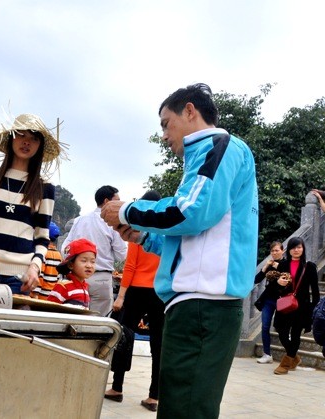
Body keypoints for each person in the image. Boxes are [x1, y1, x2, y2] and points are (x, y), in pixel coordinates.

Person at [100, 83, 258, 419]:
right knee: (180, 405)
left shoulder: (219, 145)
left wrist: (128, 210)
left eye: (165, 123)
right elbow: (191, 235)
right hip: (199, 303)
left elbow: (192, 211)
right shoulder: (207, 156)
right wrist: (141, 237)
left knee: (186, 409)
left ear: (190, 111)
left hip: (204, 303)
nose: (164, 135)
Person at [0, 113, 65, 295]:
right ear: (11, 137)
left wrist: (35, 267)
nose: (26, 142)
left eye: (33, 138)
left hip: (19, 279)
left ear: (39, 145)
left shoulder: (45, 188)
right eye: (21, 134)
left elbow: (42, 237)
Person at [104, 190, 164, 412]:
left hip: (137, 290)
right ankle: (154, 396)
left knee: (125, 338)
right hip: (160, 292)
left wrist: (120, 296)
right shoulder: (165, 230)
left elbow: (130, 265)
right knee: (159, 343)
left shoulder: (138, 228)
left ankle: (117, 388)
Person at [61, 185, 127, 316]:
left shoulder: (80, 220)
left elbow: (65, 249)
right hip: (101, 278)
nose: (120, 203)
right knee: (99, 322)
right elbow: (122, 255)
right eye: (118, 200)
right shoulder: (112, 222)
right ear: (107, 201)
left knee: (76, 318)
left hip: (77, 277)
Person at [272, 237, 320, 375]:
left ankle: (286, 363)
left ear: (303, 249)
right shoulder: (283, 265)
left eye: (299, 247)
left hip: (302, 307)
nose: (296, 250)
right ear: (289, 250)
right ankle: (294, 356)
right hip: (285, 304)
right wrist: (279, 285)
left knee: (295, 334)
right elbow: (276, 288)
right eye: (293, 247)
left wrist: (312, 308)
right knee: (281, 332)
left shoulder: (309, 266)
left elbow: (315, 291)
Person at [253, 241, 284, 364]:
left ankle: (290, 355)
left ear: (282, 250)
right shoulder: (270, 264)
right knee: (265, 326)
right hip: (268, 300)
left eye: (277, 250)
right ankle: (267, 354)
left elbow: (290, 278)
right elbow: (256, 280)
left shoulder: (286, 263)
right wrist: (265, 267)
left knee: (282, 328)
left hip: (283, 300)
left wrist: (279, 267)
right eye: (272, 251)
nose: (274, 253)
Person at [47, 238, 95, 308]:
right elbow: (49, 308)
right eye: (84, 261)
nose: (89, 265)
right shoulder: (63, 286)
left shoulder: (85, 287)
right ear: (70, 265)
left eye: (92, 262)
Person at [31, 221, 63, 299]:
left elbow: (40, 275)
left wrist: (35, 293)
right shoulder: (58, 255)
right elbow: (58, 277)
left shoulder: (43, 253)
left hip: (40, 296)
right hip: (50, 295)